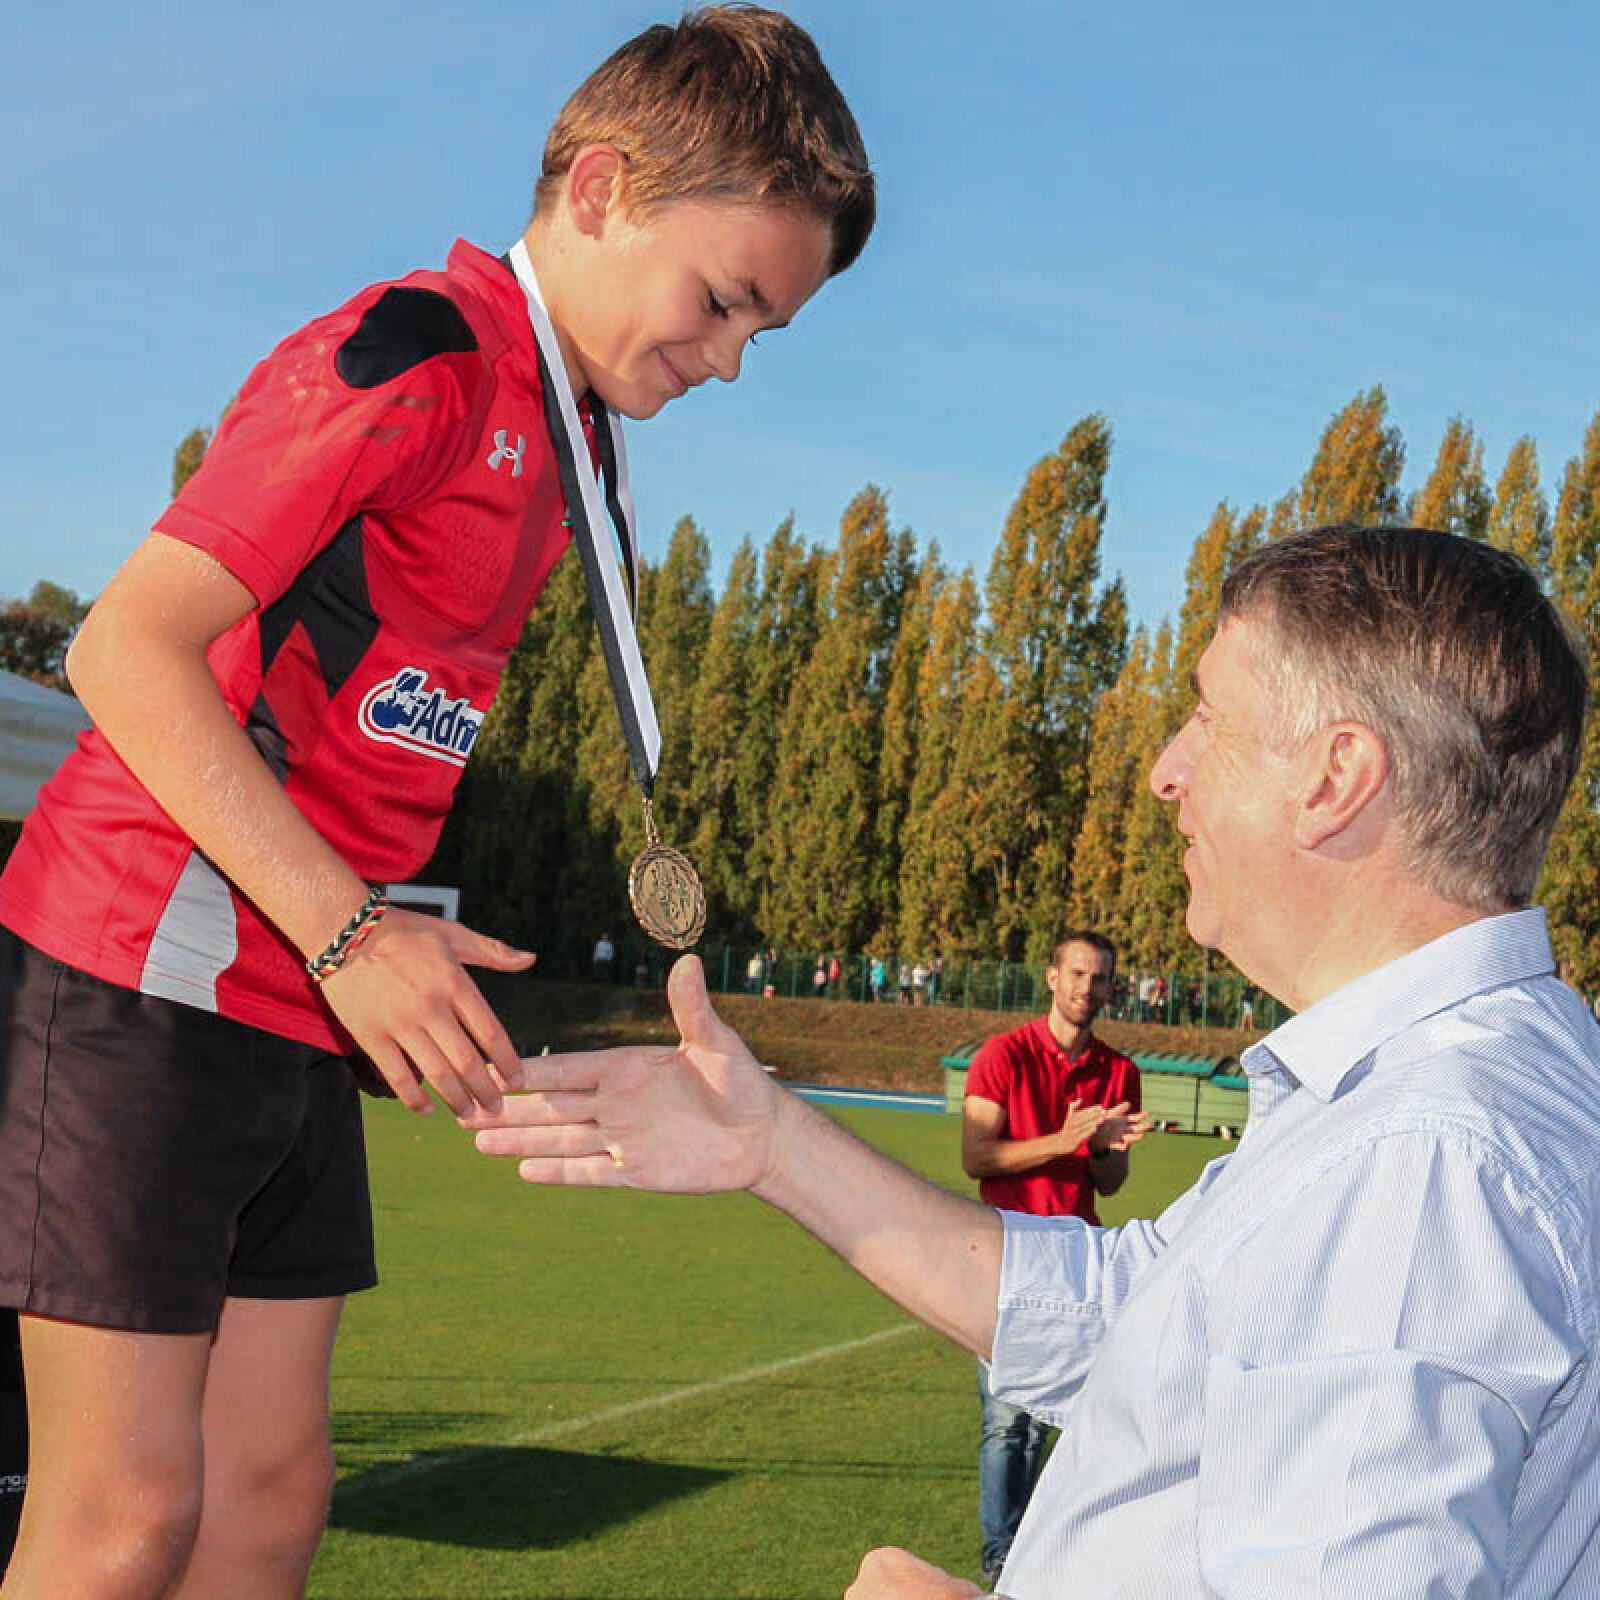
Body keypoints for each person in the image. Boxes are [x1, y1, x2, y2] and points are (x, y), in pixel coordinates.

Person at [0, 11, 874, 1596]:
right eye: (724, 300)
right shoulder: (419, 354)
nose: (732, 357)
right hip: (149, 962)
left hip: (298, 995)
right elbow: (122, 648)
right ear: (601, 190)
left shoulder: (558, 423)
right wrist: (354, 935)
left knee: (270, 1499)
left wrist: (357, 949)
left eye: (766, 329)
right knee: (124, 1517)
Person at [474, 524, 1600, 1599]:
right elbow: (1135, 1322)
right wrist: (773, 1142)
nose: (1166, 770)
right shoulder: (1462, 1089)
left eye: (1208, 719)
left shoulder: (1422, 1160)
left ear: (1334, 777)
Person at [960, 931, 1147, 1582]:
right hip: (1005, 1256)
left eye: (1099, 978)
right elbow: (976, 1157)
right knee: (1007, 1422)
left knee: (1069, 1419)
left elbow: (1112, 1182)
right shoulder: (1002, 1056)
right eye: (1077, 974)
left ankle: (1046, 1549)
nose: (1086, 988)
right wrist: (1061, 1140)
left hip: (1078, 1262)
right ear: (1051, 978)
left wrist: (1098, 1149)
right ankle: (1003, 1559)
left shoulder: (1119, 1072)